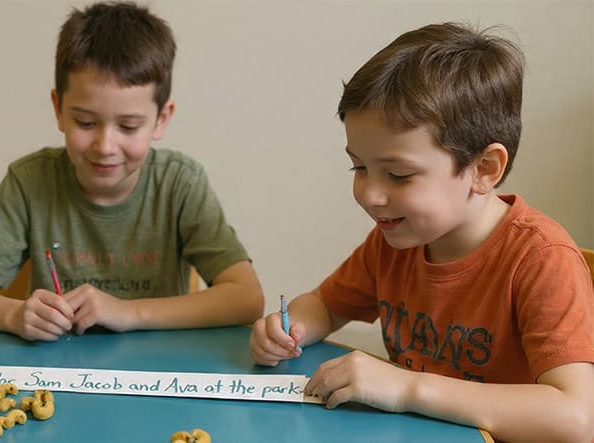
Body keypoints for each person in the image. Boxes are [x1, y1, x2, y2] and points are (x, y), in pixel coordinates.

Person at [249, 23, 594, 442]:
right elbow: (327, 304)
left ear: (483, 169)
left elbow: (578, 419)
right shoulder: (395, 241)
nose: (369, 195)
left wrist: (406, 388)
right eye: (358, 167)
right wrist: (291, 329)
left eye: (397, 174)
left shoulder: (541, 258)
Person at [0, 1, 264, 341]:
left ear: (161, 119)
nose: (104, 145)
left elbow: (246, 298)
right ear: (58, 109)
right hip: (58, 371)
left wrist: (129, 311)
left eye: (128, 126)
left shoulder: (179, 183)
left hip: (156, 372)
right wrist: (13, 313)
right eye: (85, 122)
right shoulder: (30, 182)